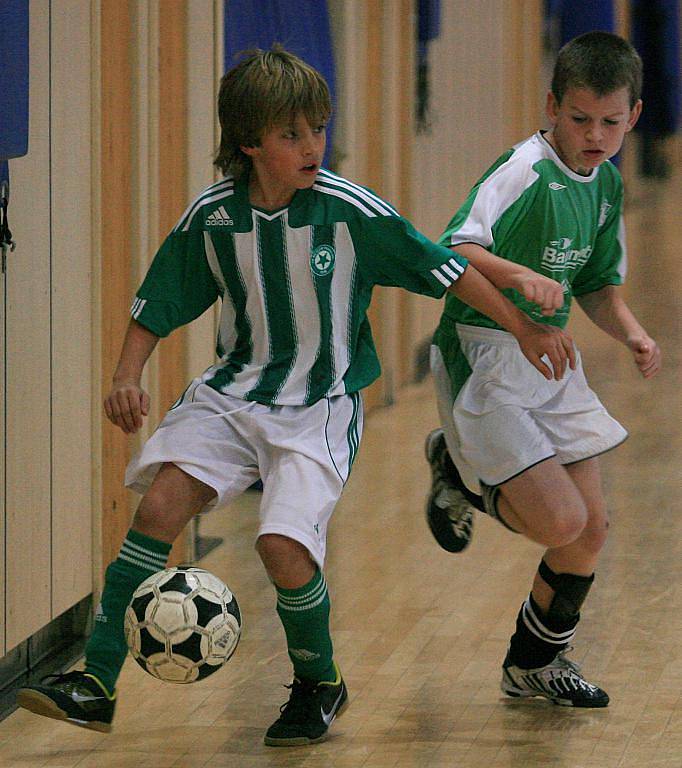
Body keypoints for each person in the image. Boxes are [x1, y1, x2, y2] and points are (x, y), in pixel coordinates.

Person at [16, 46, 573, 745]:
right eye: (292, 134)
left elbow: (449, 270)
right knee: (160, 504)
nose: (313, 145)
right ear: (250, 143)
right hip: (233, 392)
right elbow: (158, 298)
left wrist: (522, 326)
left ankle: (319, 683)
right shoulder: (214, 217)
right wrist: (128, 374)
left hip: (320, 404)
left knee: (282, 546)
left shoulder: (349, 212)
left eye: (319, 129)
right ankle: (95, 682)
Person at [425, 30, 662, 707]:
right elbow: (450, 252)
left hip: (548, 357)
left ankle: (532, 666)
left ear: (634, 117)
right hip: (484, 348)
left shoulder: (606, 183)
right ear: (552, 106)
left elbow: (594, 285)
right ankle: (456, 471)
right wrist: (522, 300)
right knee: (559, 523)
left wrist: (633, 332)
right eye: (579, 118)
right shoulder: (523, 171)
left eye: (611, 122)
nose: (595, 134)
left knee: (591, 531)